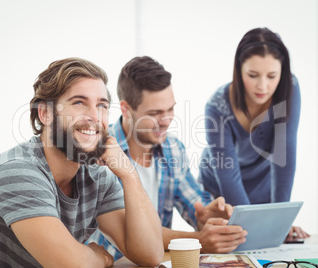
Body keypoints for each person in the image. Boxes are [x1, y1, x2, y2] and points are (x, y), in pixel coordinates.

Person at [0, 57, 164, 267]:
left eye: (102, 106)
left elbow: (150, 254)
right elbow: (72, 265)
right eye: (79, 102)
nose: (94, 117)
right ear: (45, 113)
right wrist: (98, 257)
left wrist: (129, 175)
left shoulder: (96, 176)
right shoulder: (17, 172)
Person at [86, 56, 247, 260]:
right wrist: (198, 240)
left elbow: (193, 202)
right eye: (154, 113)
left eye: (171, 109)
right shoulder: (98, 151)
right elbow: (135, 232)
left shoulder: (173, 149)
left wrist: (206, 217)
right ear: (126, 109)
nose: (166, 121)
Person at [198, 27, 308, 239]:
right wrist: (257, 228)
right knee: (233, 243)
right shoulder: (216, 105)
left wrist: (279, 222)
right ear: (238, 70)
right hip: (220, 184)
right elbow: (227, 175)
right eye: (253, 75)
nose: (263, 86)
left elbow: (284, 157)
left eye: (272, 76)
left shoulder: (290, 89)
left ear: (282, 73)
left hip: (262, 179)